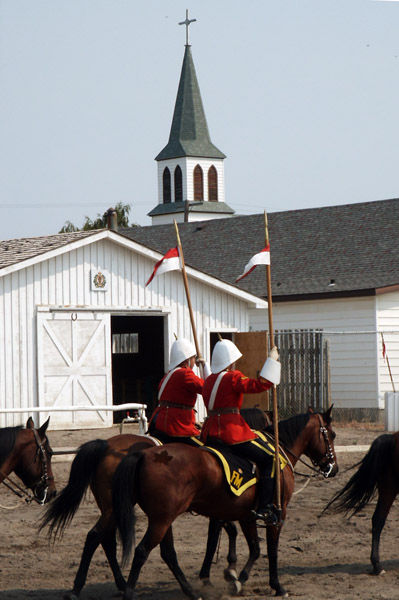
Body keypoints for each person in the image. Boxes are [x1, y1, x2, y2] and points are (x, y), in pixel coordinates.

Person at [201, 339, 281, 524]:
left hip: (210, 432)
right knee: (270, 458)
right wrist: (272, 362)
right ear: (230, 361)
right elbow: (261, 384)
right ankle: (264, 507)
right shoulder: (233, 377)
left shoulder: (209, 381)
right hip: (231, 433)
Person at [148, 338, 210, 447]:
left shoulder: (168, 375)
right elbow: (208, 389)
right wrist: (206, 367)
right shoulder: (185, 374)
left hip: (160, 422)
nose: (194, 363)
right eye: (193, 358)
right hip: (177, 425)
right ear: (187, 359)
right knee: (207, 449)